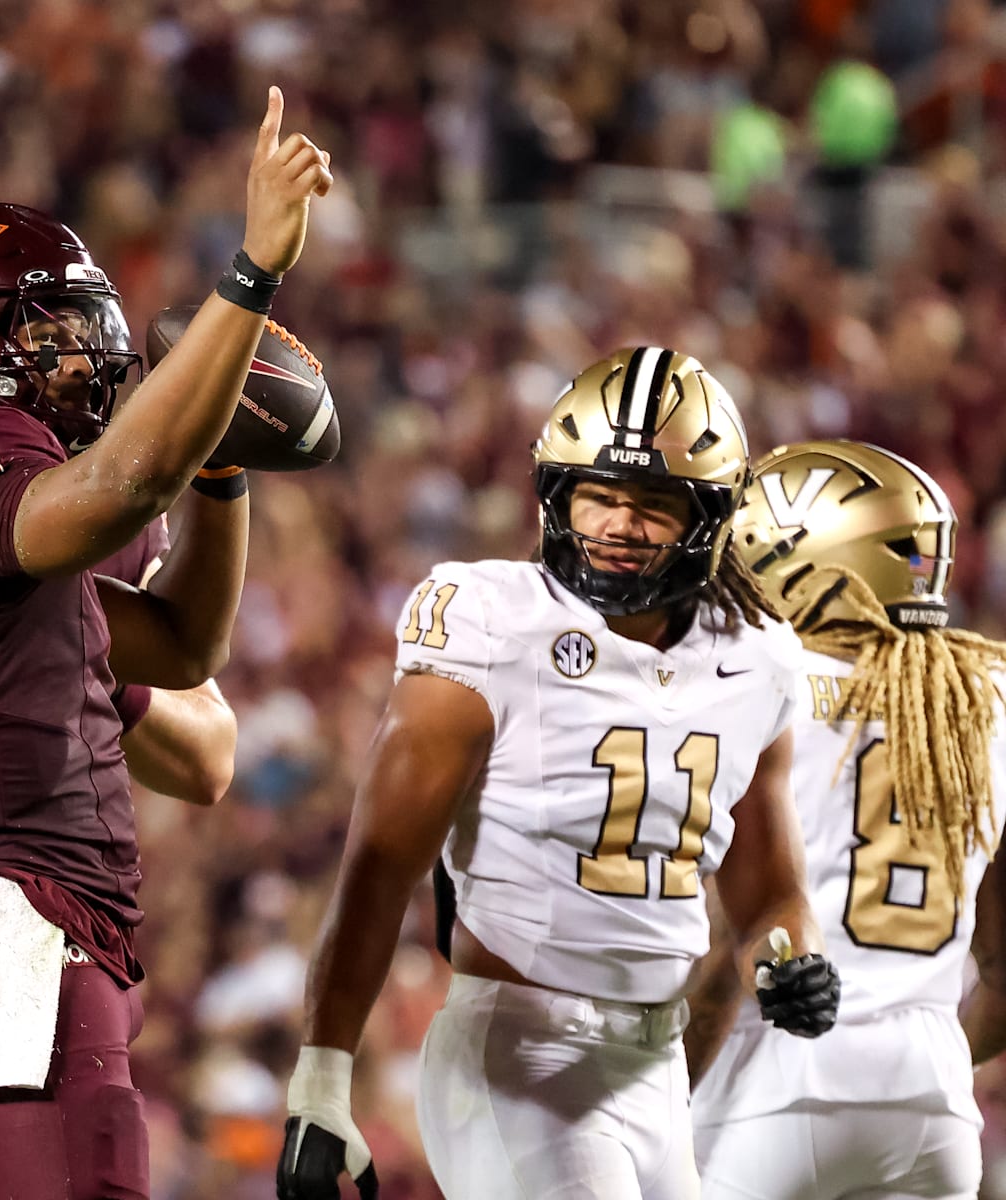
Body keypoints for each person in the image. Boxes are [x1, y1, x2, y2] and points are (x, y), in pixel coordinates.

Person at [0, 86, 331, 1200]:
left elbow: (185, 645)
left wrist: (222, 467)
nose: (84, 355)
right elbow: (119, 482)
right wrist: (248, 274)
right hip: (0, 912)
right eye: (45, 329)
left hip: (0, 920)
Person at [275, 347, 840, 1200]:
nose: (617, 524)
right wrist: (320, 1079)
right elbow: (381, 863)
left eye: (651, 504)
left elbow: (769, 898)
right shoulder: (492, 622)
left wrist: (793, 959)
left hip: (655, 1062)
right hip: (520, 1049)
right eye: (598, 495)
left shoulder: (756, 660)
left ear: (710, 517)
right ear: (555, 494)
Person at [688, 440, 1006, 1200]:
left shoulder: (758, 683)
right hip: (932, 1108)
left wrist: (661, 1105)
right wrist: (907, 1078)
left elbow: (725, 946)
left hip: (771, 1095)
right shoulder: (985, 698)